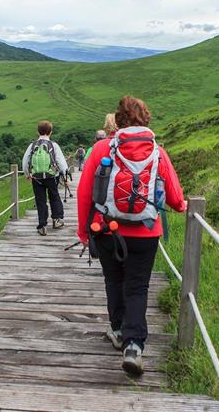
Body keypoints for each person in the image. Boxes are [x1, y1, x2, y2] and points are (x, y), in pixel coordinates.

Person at [77, 96, 187, 376]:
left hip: (106, 228)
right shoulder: (157, 151)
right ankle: (134, 345)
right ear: (146, 118)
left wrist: (84, 231)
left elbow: (84, 193)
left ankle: (117, 330)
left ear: (119, 120)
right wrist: (183, 206)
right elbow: (174, 196)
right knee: (137, 287)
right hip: (146, 232)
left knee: (113, 280)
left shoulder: (101, 148)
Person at [22, 120, 69, 236]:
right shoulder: (54, 145)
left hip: (37, 178)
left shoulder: (32, 145)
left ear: (38, 132)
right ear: (50, 132)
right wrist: (64, 175)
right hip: (52, 176)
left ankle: (42, 226)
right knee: (54, 196)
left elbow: (25, 161)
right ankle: (56, 220)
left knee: (40, 200)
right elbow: (61, 162)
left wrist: (27, 174)